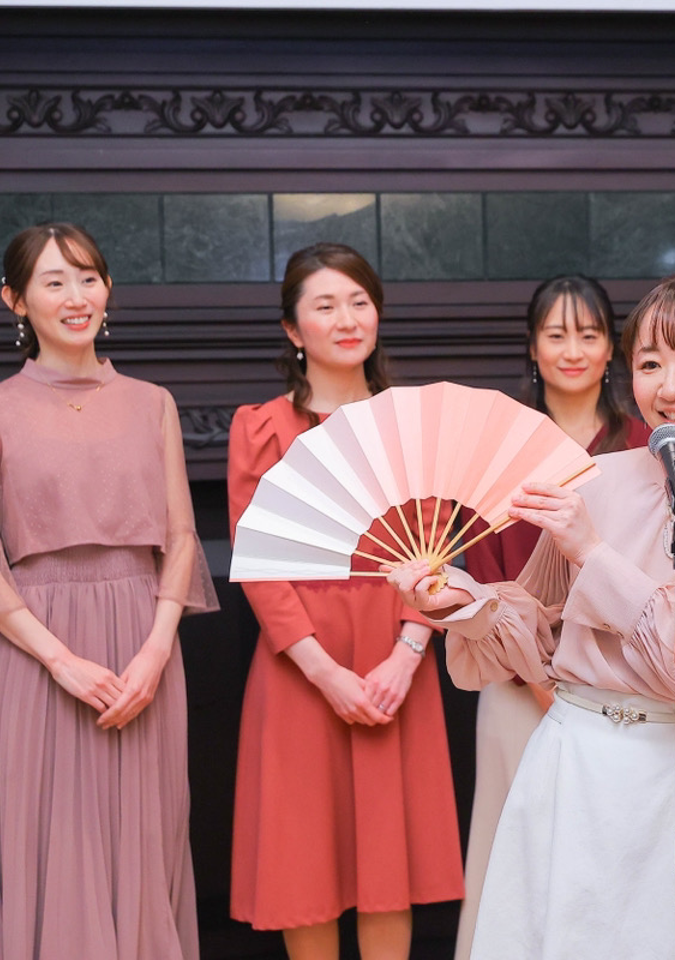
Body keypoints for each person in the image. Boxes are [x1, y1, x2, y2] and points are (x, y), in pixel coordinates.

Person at [388, 263, 675, 960]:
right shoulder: (593, 482)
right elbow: (537, 635)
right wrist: (463, 603)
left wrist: (595, 555)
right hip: (572, 766)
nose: (670, 385)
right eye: (650, 363)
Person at [0, 222, 217, 959]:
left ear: (107, 290)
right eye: (54, 281)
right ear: (15, 300)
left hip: (142, 650)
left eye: (88, 278)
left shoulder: (152, 402)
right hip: (36, 654)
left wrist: (155, 652)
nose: (76, 297)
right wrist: (60, 661)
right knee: (47, 846)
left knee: (144, 847)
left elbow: (181, 538)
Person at [227, 243, 464, 959]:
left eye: (359, 302)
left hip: (397, 657)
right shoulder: (260, 428)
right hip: (301, 663)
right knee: (305, 862)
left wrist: (407, 654)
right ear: (293, 329)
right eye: (325, 306)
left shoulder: (414, 422)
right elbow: (258, 562)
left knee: (391, 867)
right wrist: (324, 672)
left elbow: (438, 541)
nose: (347, 319)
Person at [454, 275, 649, 960]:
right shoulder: (497, 445)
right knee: (515, 858)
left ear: (611, 348)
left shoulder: (643, 444)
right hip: (516, 689)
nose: (573, 350)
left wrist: (586, 679)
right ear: (532, 347)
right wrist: (539, 678)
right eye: (556, 334)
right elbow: (482, 574)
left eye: (589, 334)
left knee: (614, 863)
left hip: (620, 691)